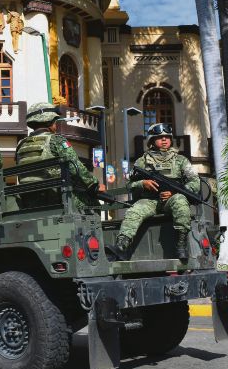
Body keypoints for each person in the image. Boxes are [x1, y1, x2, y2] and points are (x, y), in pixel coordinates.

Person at [113, 123, 200, 260]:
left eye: (167, 137)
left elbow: (195, 182)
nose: (164, 139)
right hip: (149, 200)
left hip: (172, 200)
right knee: (134, 211)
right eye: (160, 137)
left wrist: (175, 193)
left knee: (180, 202)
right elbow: (129, 184)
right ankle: (121, 246)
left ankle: (181, 245)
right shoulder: (142, 162)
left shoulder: (181, 160)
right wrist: (143, 183)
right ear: (152, 141)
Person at [14, 102, 101, 212]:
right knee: (94, 205)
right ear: (49, 121)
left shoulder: (21, 145)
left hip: (29, 202)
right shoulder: (56, 140)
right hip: (56, 199)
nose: (56, 125)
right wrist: (94, 184)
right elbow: (76, 167)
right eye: (55, 121)